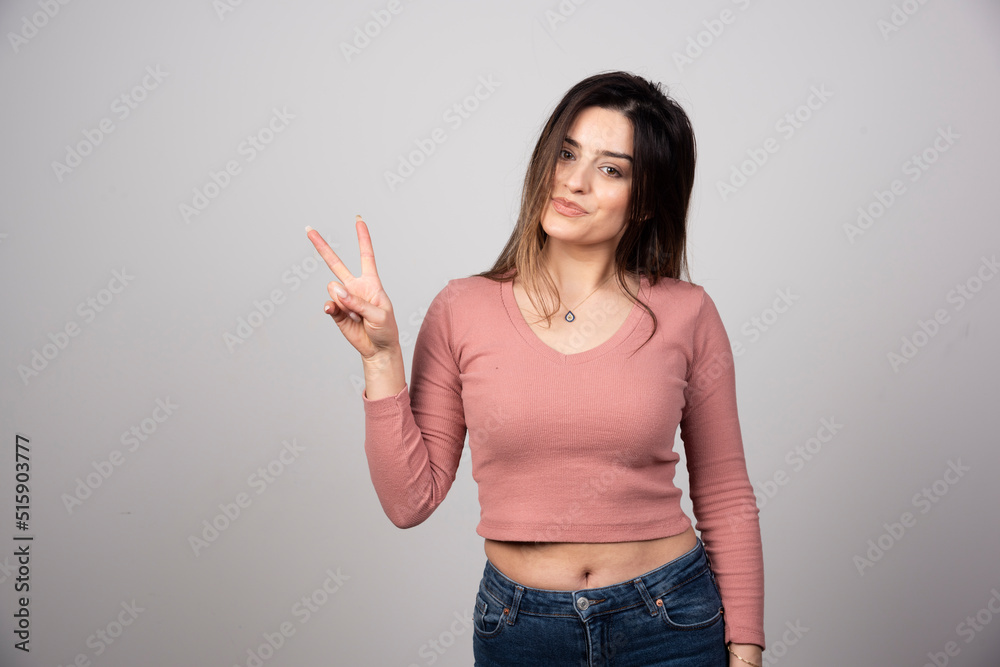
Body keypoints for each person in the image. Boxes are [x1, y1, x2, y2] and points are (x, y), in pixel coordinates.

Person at [306, 70, 765, 666]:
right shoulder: (460, 308)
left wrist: (747, 649)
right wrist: (382, 358)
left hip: (669, 620)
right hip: (522, 629)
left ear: (646, 198)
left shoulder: (688, 313)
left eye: (610, 168)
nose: (573, 181)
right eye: (567, 153)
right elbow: (409, 502)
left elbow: (725, 493)